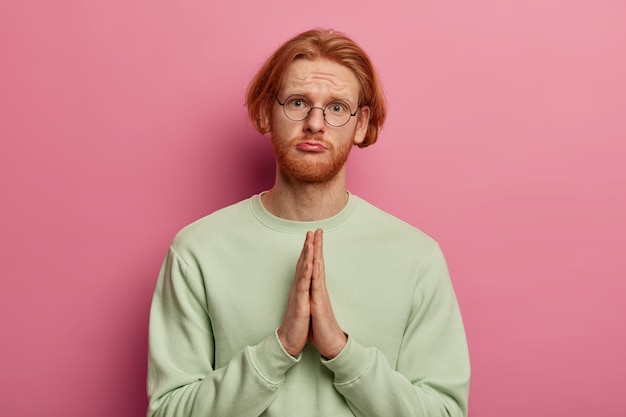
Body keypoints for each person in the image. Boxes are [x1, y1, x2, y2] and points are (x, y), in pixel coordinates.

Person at [147, 28, 470, 417]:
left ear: (361, 124)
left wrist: (342, 352)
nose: (315, 123)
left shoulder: (417, 257)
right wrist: (278, 349)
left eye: (336, 108)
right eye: (298, 102)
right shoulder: (196, 251)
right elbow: (167, 411)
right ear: (267, 111)